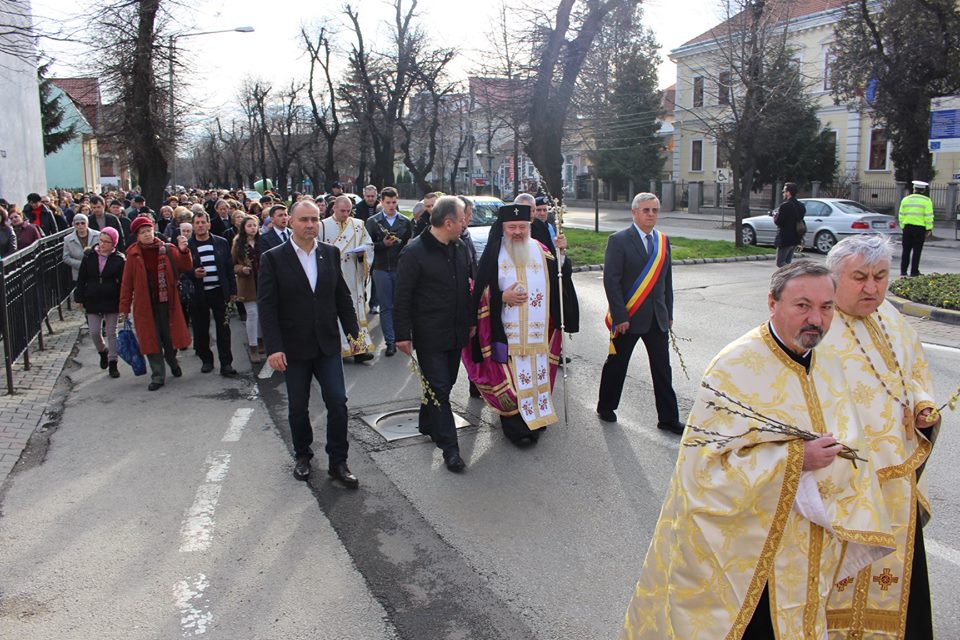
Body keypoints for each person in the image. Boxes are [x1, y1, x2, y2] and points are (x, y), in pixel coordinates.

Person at [619, 262, 896, 640]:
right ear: (772, 303)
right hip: (747, 550)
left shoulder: (829, 363)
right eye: (803, 306)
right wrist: (797, 460)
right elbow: (702, 471)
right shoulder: (733, 368)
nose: (816, 319)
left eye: (827, 307)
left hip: (806, 539)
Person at [823, 235, 940, 639]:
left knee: (895, 572)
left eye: (880, 276)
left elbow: (915, 374)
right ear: (835, 277)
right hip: (842, 480)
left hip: (895, 479)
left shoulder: (891, 318)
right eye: (860, 277)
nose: (872, 288)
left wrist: (924, 406)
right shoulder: (817, 325)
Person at [258, 199, 363, 486]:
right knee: (298, 406)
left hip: (327, 343)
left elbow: (341, 297)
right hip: (294, 347)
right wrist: (274, 347)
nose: (310, 225)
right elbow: (267, 308)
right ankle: (303, 455)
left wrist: (354, 334)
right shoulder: (273, 258)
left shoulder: (329, 253)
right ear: (290, 221)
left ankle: (338, 462)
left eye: (314, 219)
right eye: (304, 219)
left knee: (338, 402)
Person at [464, 204, 579, 445]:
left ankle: (536, 416)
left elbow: (561, 277)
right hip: (506, 332)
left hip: (538, 333)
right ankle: (516, 427)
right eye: (512, 227)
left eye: (522, 227)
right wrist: (501, 297)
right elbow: (481, 288)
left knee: (537, 375)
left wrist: (562, 253)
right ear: (503, 228)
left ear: (529, 227)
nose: (517, 231)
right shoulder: (495, 252)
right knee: (513, 379)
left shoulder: (542, 249)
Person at [394, 196, 473, 471]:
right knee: (440, 389)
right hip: (429, 334)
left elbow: (466, 287)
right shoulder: (414, 252)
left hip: (455, 332)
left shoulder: (460, 247)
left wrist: (471, 321)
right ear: (449, 222)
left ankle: (426, 422)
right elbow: (401, 296)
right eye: (462, 219)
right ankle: (450, 449)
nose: (466, 223)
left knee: (445, 383)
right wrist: (401, 334)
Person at [597, 192, 683, 434]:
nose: (651, 215)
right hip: (629, 318)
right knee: (617, 364)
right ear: (634, 212)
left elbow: (667, 281)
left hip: (657, 317)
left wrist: (669, 312)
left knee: (662, 369)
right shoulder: (619, 240)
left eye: (655, 210)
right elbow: (611, 281)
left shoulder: (663, 242)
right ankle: (606, 406)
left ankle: (668, 418)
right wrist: (620, 316)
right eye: (646, 210)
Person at [119, 217, 193, 391]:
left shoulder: (167, 249)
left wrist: (184, 251)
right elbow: (127, 283)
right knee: (151, 341)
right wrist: (123, 308)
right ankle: (158, 375)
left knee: (170, 338)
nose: (147, 234)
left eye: (149, 230)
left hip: (168, 303)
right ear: (137, 235)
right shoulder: (133, 254)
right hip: (145, 306)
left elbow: (185, 266)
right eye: (142, 232)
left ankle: (173, 363)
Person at [321, 195, 375, 363]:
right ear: (334, 208)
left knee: (354, 312)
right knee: (333, 312)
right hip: (331, 275)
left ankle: (358, 349)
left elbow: (369, 245)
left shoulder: (358, 225)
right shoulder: (322, 226)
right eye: (342, 210)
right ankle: (338, 348)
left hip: (352, 274)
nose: (345, 214)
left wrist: (362, 253)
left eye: (348, 211)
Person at [187, 211, 237, 376]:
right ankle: (206, 360)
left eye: (203, 222)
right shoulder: (188, 246)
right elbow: (181, 270)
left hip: (219, 292)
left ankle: (226, 364)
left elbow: (229, 268)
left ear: (209, 224)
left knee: (224, 329)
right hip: (198, 294)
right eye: (197, 223)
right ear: (193, 226)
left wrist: (232, 292)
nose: (200, 225)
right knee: (201, 330)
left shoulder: (221, 242)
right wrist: (193, 273)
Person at [365, 187, 413, 357]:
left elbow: (410, 245)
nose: (391, 206)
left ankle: (403, 337)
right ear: (381, 202)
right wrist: (381, 245)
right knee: (386, 307)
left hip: (400, 269)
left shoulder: (405, 221)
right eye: (388, 203)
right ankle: (390, 342)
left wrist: (408, 246)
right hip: (381, 268)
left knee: (402, 305)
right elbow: (367, 246)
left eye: (394, 202)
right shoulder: (373, 222)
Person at [75, 227, 124, 378]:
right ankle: (103, 351)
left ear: (113, 243)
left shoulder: (119, 258)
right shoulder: (89, 256)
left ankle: (113, 363)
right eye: (101, 240)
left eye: (106, 241)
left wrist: (124, 302)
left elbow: (123, 282)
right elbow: (81, 278)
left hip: (111, 297)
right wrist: (79, 298)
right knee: (94, 332)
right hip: (93, 296)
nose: (102, 244)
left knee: (111, 332)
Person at [232, 214, 263, 365]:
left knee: (262, 313)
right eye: (249, 225)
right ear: (244, 228)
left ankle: (261, 338)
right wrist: (241, 269)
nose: (252, 228)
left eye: (254, 225)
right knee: (252, 314)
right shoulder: (238, 243)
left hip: (262, 282)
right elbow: (233, 264)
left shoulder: (262, 241)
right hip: (247, 284)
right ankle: (253, 346)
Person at [898, 180, 934, 277]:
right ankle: (914, 272)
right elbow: (929, 216)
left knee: (906, 250)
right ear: (923, 190)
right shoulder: (927, 201)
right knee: (917, 251)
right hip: (920, 229)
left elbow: (901, 215)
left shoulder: (905, 200)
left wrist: (902, 227)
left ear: (914, 189)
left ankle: (903, 271)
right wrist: (929, 229)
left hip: (907, 227)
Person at [773, 182, 806, 267]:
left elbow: (778, 222)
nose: (783, 193)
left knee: (780, 263)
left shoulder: (785, 206)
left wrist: (775, 216)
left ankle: (793, 274)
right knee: (787, 262)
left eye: (784, 191)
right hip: (796, 237)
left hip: (785, 238)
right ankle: (787, 278)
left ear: (788, 192)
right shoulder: (801, 206)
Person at [62, 214, 100, 282]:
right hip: (78, 272)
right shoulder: (67, 239)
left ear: (87, 223)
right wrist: (81, 264)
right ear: (74, 225)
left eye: (83, 223)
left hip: (96, 271)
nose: (80, 226)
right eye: (77, 224)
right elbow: (65, 257)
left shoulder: (98, 235)